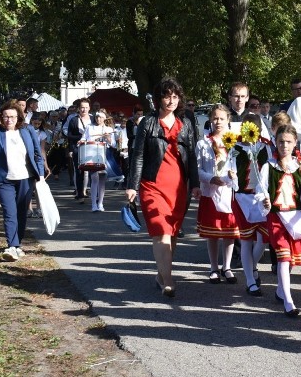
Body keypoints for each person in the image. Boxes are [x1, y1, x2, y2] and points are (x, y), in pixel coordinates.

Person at [126, 78, 200, 298]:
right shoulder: (147, 123)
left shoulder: (185, 124)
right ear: (159, 98)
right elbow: (137, 155)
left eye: (175, 96)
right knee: (161, 231)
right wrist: (132, 185)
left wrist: (195, 184)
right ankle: (168, 280)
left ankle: (161, 275)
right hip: (152, 185)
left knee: (172, 233)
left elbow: (193, 156)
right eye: (167, 96)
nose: (171, 100)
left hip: (179, 188)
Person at [0, 102, 45, 261]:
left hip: (25, 178)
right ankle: (12, 246)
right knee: (9, 213)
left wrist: (41, 176)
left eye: (12, 117)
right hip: (4, 179)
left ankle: (17, 244)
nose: (9, 120)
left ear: (18, 117)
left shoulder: (27, 130)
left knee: (21, 212)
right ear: (1, 117)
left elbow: (37, 153)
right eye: (5, 117)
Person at [256, 124, 301, 317]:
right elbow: (261, 190)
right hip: (277, 217)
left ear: (295, 144)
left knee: (292, 259)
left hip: (296, 217)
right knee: (283, 258)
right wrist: (265, 199)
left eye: (288, 142)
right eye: (281, 142)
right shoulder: (269, 166)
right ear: (275, 143)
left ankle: (280, 291)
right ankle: (288, 301)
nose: (284, 145)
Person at [194, 104, 240, 284]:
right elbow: (197, 169)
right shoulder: (203, 143)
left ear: (228, 119)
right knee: (212, 233)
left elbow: (239, 166)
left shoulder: (235, 141)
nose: (218, 121)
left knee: (229, 233)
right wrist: (211, 178)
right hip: (210, 193)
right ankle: (213, 267)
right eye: (215, 118)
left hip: (229, 192)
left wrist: (232, 177)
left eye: (222, 118)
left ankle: (227, 266)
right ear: (210, 120)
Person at [231, 112, 271, 295]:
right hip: (242, 198)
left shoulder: (266, 147)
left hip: (261, 197)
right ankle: (249, 280)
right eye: (246, 129)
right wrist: (229, 176)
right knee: (246, 240)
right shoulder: (234, 147)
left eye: (254, 129)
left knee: (263, 239)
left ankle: (252, 266)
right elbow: (226, 170)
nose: (250, 134)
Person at [83, 109, 116, 212]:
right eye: (97, 117)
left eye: (101, 117)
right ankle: (93, 204)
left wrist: (108, 138)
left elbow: (113, 145)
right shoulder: (89, 127)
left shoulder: (109, 129)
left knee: (102, 180)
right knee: (94, 178)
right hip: (92, 155)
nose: (98, 119)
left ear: (105, 118)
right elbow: (84, 138)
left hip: (104, 155)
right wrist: (82, 141)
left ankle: (100, 203)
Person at [67, 98, 94, 202]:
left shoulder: (93, 119)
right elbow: (69, 135)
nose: (84, 110)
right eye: (82, 107)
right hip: (78, 148)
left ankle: (93, 193)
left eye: (86, 107)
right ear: (79, 108)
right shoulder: (74, 120)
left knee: (94, 171)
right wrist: (80, 137)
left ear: (89, 108)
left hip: (91, 148)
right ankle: (80, 194)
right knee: (79, 171)